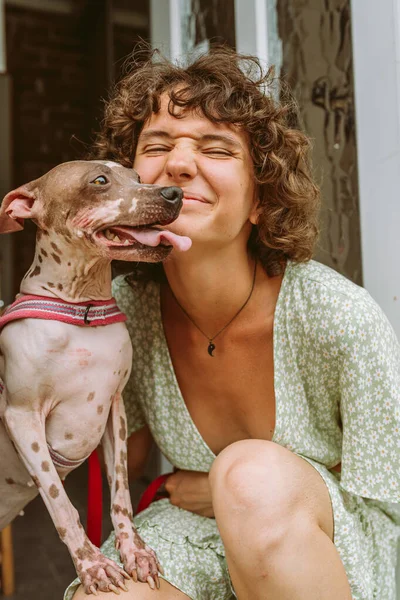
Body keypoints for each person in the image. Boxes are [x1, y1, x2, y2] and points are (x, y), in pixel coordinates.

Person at [66, 46, 400, 600]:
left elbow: (387, 491)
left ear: (260, 202)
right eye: (157, 146)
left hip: (333, 544)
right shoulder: (119, 317)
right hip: (194, 533)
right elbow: (108, 457)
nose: (178, 162)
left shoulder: (335, 315)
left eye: (215, 148)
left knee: (249, 479)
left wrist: (223, 490)